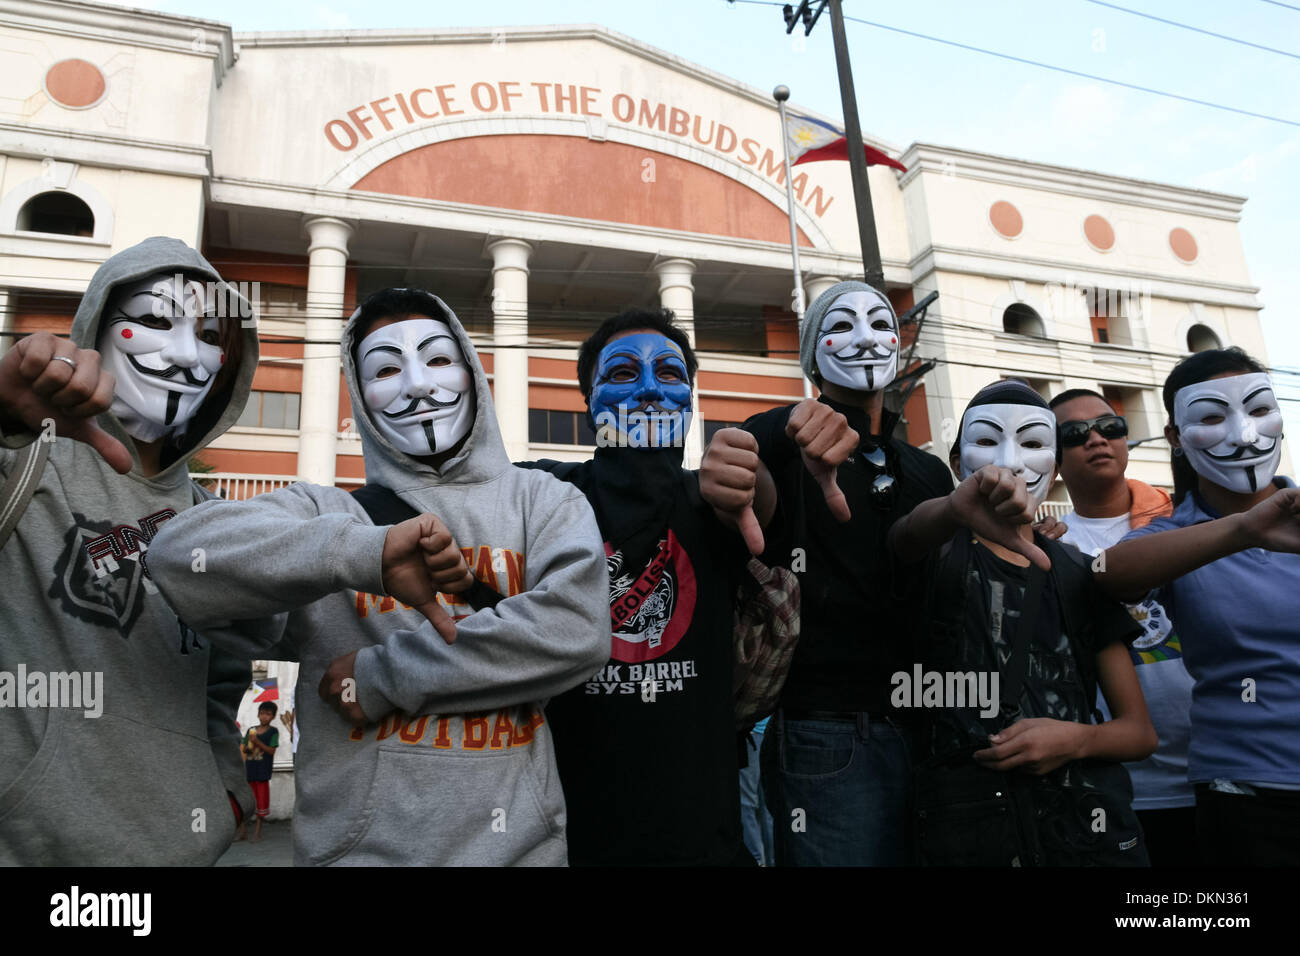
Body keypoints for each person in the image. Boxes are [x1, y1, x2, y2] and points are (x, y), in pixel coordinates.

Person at [147, 287, 609, 866]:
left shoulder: (544, 502)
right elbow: (178, 555)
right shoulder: (329, 515)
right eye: (386, 369)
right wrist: (364, 551)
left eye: (438, 359)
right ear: (360, 398)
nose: (417, 385)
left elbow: (578, 630)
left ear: (474, 373)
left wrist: (382, 675)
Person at [516, 307, 855, 866]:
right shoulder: (544, 496)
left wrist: (761, 454)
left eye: (671, 375)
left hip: (707, 844)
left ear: (690, 400)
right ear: (589, 403)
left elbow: (758, 506)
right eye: (623, 374)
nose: (650, 389)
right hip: (568, 845)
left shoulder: (716, 502)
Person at [0, 237, 258, 865]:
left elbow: (222, 681)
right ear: (98, 329)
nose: (183, 353)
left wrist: (222, 793)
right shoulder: (20, 464)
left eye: (208, 335)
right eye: (152, 321)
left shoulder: (212, 519)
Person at [889, 379, 1157, 866]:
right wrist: (951, 511)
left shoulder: (1077, 572)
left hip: (1083, 837)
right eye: (987, 441)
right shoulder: (931, 557)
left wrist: (1075, 739)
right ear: (955, 463)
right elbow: (905, 536)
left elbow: (1138, 732)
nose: (1010, 461)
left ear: (1054, 469)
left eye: (1032, 444)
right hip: (968, 834)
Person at [738, 281, 955, 866]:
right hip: (825, 729)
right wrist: (755, 454)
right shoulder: (777, 436)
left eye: (881, 322)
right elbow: (735, 490)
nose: (865, 338)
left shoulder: (929, 472)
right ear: (812, 356)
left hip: (933, 728)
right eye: (840, 325)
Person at [1094, 348, 1300, 865]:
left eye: (1258, 411)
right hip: (1252, 793)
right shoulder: (1173, 538)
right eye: (1211, 416)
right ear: (1176, 438)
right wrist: (1242, 530)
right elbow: (1106, 575)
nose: (1245, 434)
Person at [1048, 388, 1197, 866]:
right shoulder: (1046, 546)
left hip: (1214, 769)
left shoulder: (1186, 522)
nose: (1096, 439)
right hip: (1113, 788)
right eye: (1073, 434)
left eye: (1110, 426)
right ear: (1052, 460)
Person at [240, 701, 279, 842]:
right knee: (245, 802)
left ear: (273, 717)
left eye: (268, 714)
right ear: (258, 714)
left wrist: (256, 742)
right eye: (262, 713)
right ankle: (243, 832)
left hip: (262, 772)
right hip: (249, 771)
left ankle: (257, 833)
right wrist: (248, 746)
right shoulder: (251, 730)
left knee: (261, 803)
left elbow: (271, 751)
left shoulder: (273, 732)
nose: (264, 717)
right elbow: (245, 749)